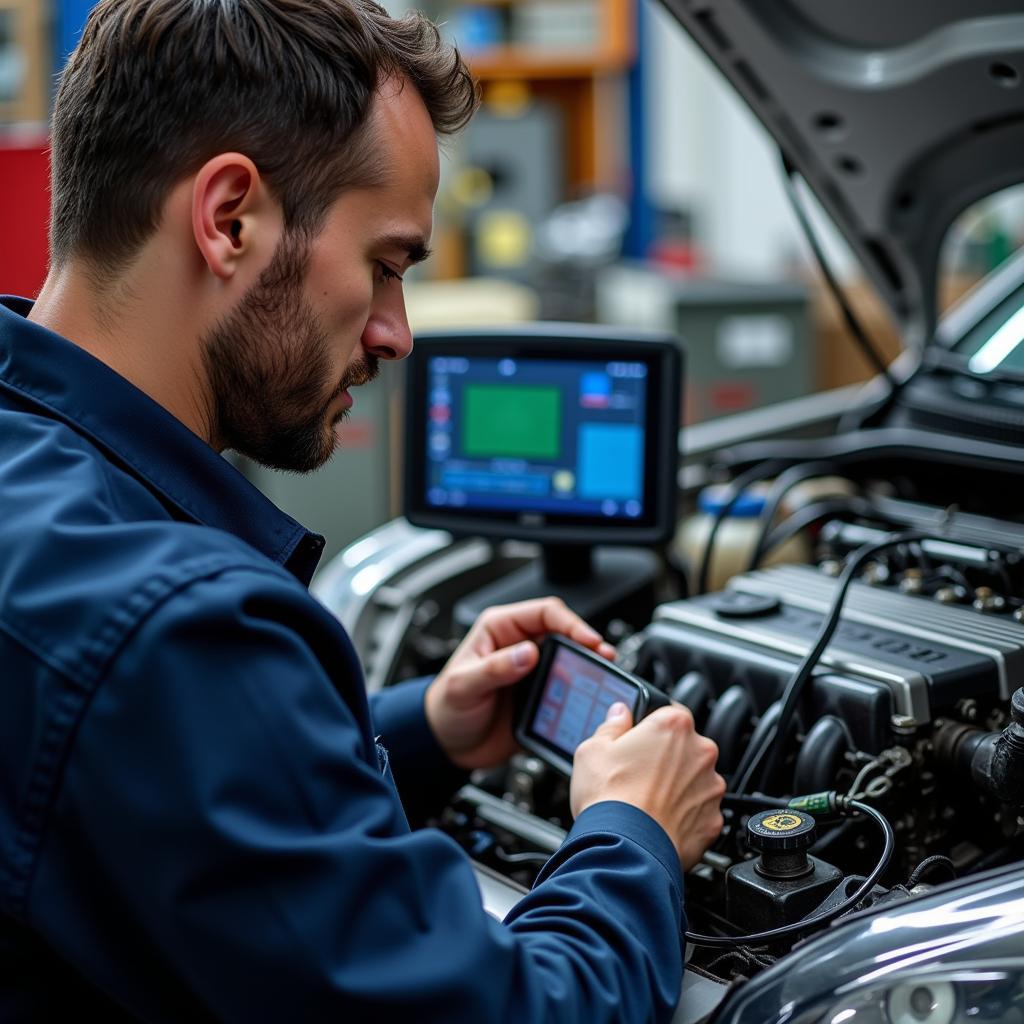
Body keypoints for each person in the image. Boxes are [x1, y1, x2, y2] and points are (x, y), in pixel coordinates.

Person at [0, 1, 725, 1021]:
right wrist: (629, 830)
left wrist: (425, 730)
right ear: (229, 218)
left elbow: (143, 790)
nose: (396, 333)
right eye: (385, 265)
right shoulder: (179, 630)